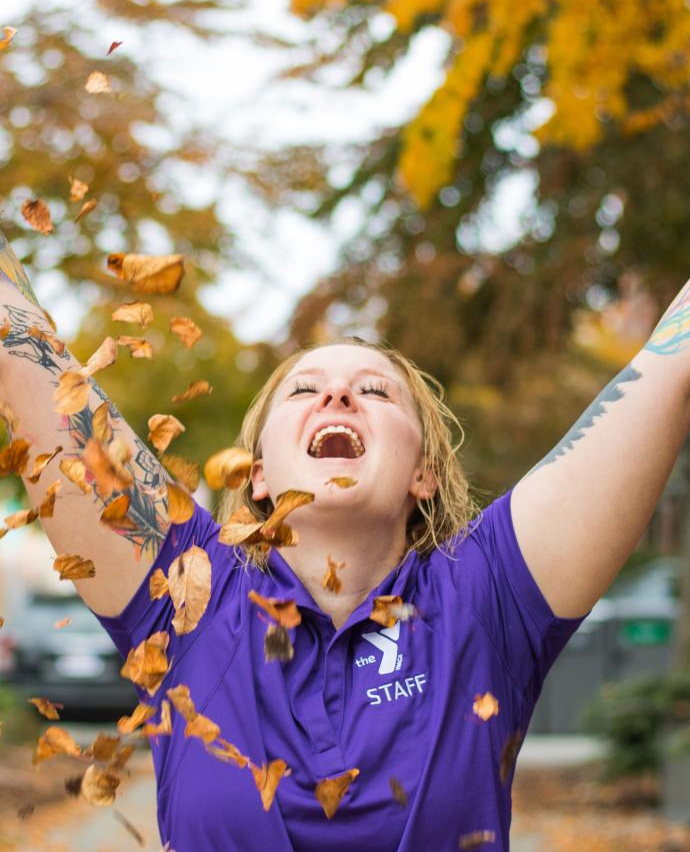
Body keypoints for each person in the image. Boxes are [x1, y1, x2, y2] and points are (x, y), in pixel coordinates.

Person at [2, 236, 690, 852]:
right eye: (305, 389)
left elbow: (671, 368)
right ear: (258, 473)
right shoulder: (186, 592)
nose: (337, 396)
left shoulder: (489, 596)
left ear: (423, 472)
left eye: (375, 392)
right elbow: (19, 348)